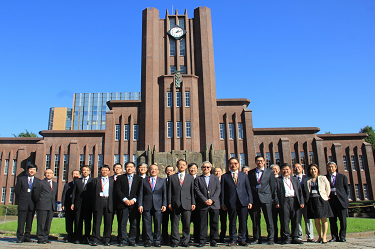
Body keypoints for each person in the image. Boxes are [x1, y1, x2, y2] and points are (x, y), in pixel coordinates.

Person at [221, 157, 253, 246]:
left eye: (235, 163)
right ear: (229, 165)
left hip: (243, 201)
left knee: (243, 221)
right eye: (231, 163)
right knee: (232, 221)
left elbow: (248, 189)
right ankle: (233, 239)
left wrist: (250, 201)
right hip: (231, 202)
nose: (233, 165)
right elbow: (223, 191)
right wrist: (223, 203)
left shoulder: (244, 175)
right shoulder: (225, 176)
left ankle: (242, 239)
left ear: (238, 164)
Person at [168, 159, 196, 247]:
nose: (182, 166)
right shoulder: (172, 177)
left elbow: (192, 191)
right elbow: (169, 191)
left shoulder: (190, 178)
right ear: (177, 166)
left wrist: (193, 203)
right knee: (174, 223)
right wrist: (169, 202)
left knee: (186, 223)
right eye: (180, 165)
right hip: (175, 203)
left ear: (186, 166)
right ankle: (175, 241)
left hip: (187, 202)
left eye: (184, 164)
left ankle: (185, 241)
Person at [248, 156, 275, 245]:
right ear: (255, 162)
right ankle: (257, 238)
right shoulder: (251, 173)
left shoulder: (269, 172)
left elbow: (272, 186)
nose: (259, 162)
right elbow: (250, 187)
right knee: (255, 220)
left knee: (269, 219)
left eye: (261, 161)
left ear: (264, 162)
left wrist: (273, 198)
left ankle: (271, 238)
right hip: (255, 199)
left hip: (266, 198)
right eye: (258, 161)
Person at [274, 163, 304, 244]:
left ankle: (295, 237)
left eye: (287, 169)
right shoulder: (278, 180)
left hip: (294, 200)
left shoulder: (295, 179)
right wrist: (277, 202)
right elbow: (275, 192)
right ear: (281, 171)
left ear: (290, 170)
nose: (286, 171)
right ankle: (286, 237)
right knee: (284, 219)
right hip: (284, 201)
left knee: (295, 219)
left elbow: (300, 191)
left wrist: (301, 202)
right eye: (284, 169)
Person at [138, 164, 167, 247]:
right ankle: (148, 240)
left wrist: (164, 204)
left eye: (155, 169)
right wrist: (140, 205)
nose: (153, 171)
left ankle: (157, 240)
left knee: (158, 224)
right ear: (149, 171)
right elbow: (141, 193)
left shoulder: (162, 181)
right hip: (146, 205)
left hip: (158, 205)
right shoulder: (144, 180)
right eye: (151, 169)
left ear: (158, 171)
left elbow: (164, 194)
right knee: (147, 224)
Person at [115, 162, 142, 246]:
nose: (129, 168)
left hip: (134, 205)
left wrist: (134, 200)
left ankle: (132, 240)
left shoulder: (139, 179)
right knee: (123, 223)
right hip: (123, 204)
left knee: (134, 223)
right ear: (125, 168)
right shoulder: (120, 178)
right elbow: (117, 190)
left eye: (131, 167)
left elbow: (140, 191)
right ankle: (123, 240)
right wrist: (125, 199)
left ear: (134, 168)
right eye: (127, 167)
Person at [304, 164, 333, 244]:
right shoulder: (308, 180)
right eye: (311, 169)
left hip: (322, 199)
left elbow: (328, 188)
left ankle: (324, 237)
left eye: (314, 169)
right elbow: (307, 191)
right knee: (316, 219)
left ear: (317, 169)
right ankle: (319, 236)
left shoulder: (322, 178)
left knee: (324, 218)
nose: (313, 171)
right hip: (312, 200)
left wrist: (326, 196)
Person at [194, 161, 221, 247]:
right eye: (204, 167)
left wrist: (212, 200)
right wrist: (205, 200)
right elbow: (197, 190)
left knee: (214, 222)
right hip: (203, 204)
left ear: (210, 168)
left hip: (214, 204)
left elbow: (218, 190)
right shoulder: (198, 179)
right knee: (202, 223)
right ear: (201, 168)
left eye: (208, 167)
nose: (206, 168)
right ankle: (202, 240)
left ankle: (214, 240)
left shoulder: (215, 178)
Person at [15, 164, 40, 243]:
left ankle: (27, 236)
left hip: (32, 204)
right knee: (21, 222)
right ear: (28, 170)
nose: (32, 171)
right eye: (30, 169)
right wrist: (22, 199)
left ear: (35, 171)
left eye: (33, 169)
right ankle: (20, 237)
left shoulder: (38, 181)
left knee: (29, 222)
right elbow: (17, 191)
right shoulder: (21, 179)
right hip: (23, 203)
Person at [32, 169, 57, 244]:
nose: (49, 174)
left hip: (51, 206)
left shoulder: (55, 184)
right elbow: (35, 194)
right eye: (47, 173)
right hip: (42, 205)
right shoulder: (40, 183)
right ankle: (40, 238)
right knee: (41, 223)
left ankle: (46, 237)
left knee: (48, 223)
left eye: (50, 173)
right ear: (45, 174)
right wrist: (39, 201)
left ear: (53, 174)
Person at [91, 165, 115, 246]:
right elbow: (92, 193)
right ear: (100, 171)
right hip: (99, 201)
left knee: (108, 222)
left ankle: (107, 239)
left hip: (109, 201)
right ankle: (95, 239)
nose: (104, 171)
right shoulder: (95, 180)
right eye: (103, 170)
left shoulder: (112, 181)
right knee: (96, 222)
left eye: (106, 170)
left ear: (109, 171)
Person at [326, 162, 349, 242]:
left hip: (341, 201)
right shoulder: (325, 178)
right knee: (332, 220)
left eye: (332, 167)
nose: (330, 168)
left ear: (336, 168)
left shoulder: (342, 177)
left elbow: (346, 189)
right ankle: (334, 237)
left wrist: (345, 199)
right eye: (329, 167)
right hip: (331, 201)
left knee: (342, 220)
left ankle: (342, 236)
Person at [71, 165, 94, 244]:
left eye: (87, 170)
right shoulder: (77, 181)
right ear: (81, 172)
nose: (85, 172)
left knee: (87, 222)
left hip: (88, 205)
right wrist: (72, 203)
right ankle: (78, 238)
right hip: (78, 204)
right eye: (84, 170)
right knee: (78, 221)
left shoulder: (92, 181)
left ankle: (86, 237)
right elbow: (74, 192)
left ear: (89, 172)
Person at [293, 163, 314, 242]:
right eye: (295, 167)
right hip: (296, 202)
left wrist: (306, 199)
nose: (297, 168)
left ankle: (310, 236)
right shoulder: (292, 178)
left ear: (302, 168)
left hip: (306, 202)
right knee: (297, 220)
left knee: (308, 220)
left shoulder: (307, 178)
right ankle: (299, 236)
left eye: (298, 167)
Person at [61, 170, 80, 243]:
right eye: (74, 174)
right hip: (68, 206)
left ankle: (76, 236)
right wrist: (63, 204)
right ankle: (70, 236)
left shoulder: (81, 184)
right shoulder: (67, 185)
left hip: (77, 206)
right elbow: (64, 195)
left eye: (77, 174)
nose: (75, 175)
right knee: (69, 222)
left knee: (77, 221)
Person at [162, 165, 175, 245]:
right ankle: (165, 239)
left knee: (174, 222)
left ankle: (173, 239)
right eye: (168, 170)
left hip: (173, 206)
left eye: (171, 170)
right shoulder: (163, 181)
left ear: (174, 172)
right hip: (164, 205)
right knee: (164, 223)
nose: (169, 171)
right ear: (165, 171)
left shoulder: (176, 181)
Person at [214, 167, 227, 243]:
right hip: (215, 204)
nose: (217, 173)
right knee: (214, 221)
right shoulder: (212, 180)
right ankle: (214, 236)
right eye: (215, 171)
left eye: (219, 171)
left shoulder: (224, 180)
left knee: (223, 221)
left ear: (222, 172)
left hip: (223, 204)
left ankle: (222, 237)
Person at [112, 163, 124, 245]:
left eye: (119, 168)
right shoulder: (109, 179)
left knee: (121, 221)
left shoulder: (124, 178)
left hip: (120, 203)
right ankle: (107, 238)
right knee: (109, 221)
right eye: (115, 168)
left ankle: (120, 238)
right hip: (111, 202)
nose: (117, 169)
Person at [136, 162, 148, 244]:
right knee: (135, 222)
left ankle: (145, 238)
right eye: (140, 167)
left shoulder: (149, 179)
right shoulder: (135, 178)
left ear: (147, 169)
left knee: (146, 222)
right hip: (135, 202)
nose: (142, 169)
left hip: (147, 203)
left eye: (144, 167)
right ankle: (135, 238)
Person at [188, 162, 199, 244]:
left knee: (198, 221)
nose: (193, 169)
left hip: (198, 203)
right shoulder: (185, 178)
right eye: (191, 168)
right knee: (186, 221)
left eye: (194, 168)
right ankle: (187, 238)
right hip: (187, 203)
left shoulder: (200, 178)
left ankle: (197, 238)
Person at [270, 164, 280, 243]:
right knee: (273, 221)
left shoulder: (281, 179)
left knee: (283, 220)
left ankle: (284, 236)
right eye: (273, 169)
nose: (274, 170)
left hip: (281, 203)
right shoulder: (269, 179)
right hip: (272, 202)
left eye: (276, 169)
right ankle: (274, 237)